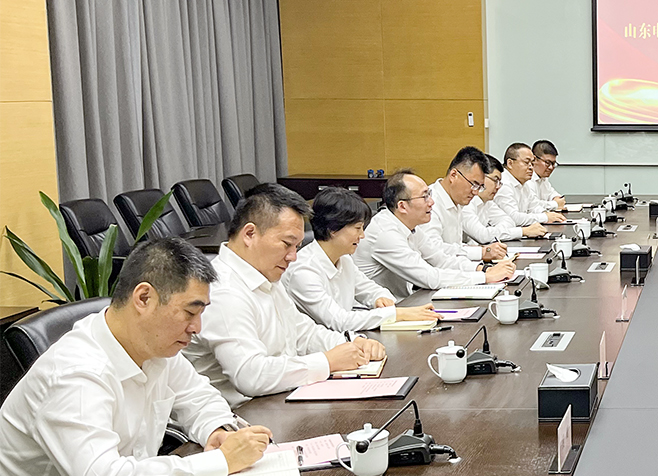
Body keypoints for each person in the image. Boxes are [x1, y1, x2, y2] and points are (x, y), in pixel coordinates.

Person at [0, 239, 273, 476]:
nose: (197, 328)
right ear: (144, 298)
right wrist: (220, 461)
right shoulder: (75, 373)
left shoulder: (153, 345)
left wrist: (217, 430)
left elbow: (199, 396)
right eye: (190, 312)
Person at [186, 185, 383, 403]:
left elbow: (303, 333)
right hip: (242, 414)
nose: (293, 257)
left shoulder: (265, 275)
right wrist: (328, 361)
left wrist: (352, 343)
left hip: (279, 400)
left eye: (297, 247)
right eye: (287, 244)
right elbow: (251, 376)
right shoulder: (222, 291)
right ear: (249, 234)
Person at [283, 188, 440, 331]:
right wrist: (397, 314)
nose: (362, 236)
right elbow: (338, 321)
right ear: (333, 229)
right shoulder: (303, 271)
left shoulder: (344, 258)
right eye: (358, 228)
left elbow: (369, 288)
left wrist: (380, 298)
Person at [355, 169, 516, 297]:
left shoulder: (410, 226)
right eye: (424, 197)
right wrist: (485, 277)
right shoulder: (385, 233)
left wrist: (483, 269)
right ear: (402, 206)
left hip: (405, 302)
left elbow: (441, 259)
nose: (431, 202)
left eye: (429, 194)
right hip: (378, 311)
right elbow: (429, 277)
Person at [424, 146, 507, 263]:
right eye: (474, 184)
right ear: (453, 175)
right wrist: (482, 252)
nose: (476, 192)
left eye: (480, 187)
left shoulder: (457, 200)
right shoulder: (429, 202)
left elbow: (455, 246)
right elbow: (433, 250)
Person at [463, 155, 547, 245]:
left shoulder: (487, 202)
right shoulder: (466, 202)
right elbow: (483, 236)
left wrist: (495, 233)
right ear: (481, 178)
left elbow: (509, 221)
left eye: (499, 182)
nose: (498, 187)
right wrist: (523, 231)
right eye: (495, 180)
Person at [495, 142, 566, 227]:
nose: (531, 167)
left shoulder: (523, 183)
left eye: (532, 163)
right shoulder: (503, 184)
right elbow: (513, 218)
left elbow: (534, 207)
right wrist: (545, 217)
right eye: (526, 162)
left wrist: (548, 215)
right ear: (510, 163)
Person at [530, 139, 565, 211]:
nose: (551, 167)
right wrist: (556, 204)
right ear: (534, 160)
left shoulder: (543, 178)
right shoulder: (527, 178)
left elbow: (552, 193)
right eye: (547, 163)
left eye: (553, 163)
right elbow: (533, 205)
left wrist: (556, 198)